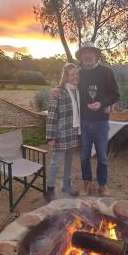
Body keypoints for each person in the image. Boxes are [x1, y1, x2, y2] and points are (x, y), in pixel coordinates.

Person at [76, 41, 120, 196]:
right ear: (81, 56)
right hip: (84, 121)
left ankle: (102, 184)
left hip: (101, 121)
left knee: (102, 156)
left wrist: (103, 104)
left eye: (90, 52)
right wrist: (55, 90)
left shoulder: (106, 72)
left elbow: (115, 94)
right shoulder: (79, 74)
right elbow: (67, 86)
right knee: (84, 155)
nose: (87, 55)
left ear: (95, 55)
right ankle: (86, 182)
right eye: (84, 53)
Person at [45, 63, 80, 202]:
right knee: (55, 163)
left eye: (77, 74)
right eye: (72, 74)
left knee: (69, 162)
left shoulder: (78, 91)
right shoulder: (58, 92)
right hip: (60, 134)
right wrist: (50, 136)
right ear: (65, 77)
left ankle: (66, 186)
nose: (75, 77)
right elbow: (52, 115)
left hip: (73, 132)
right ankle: (50, 190)